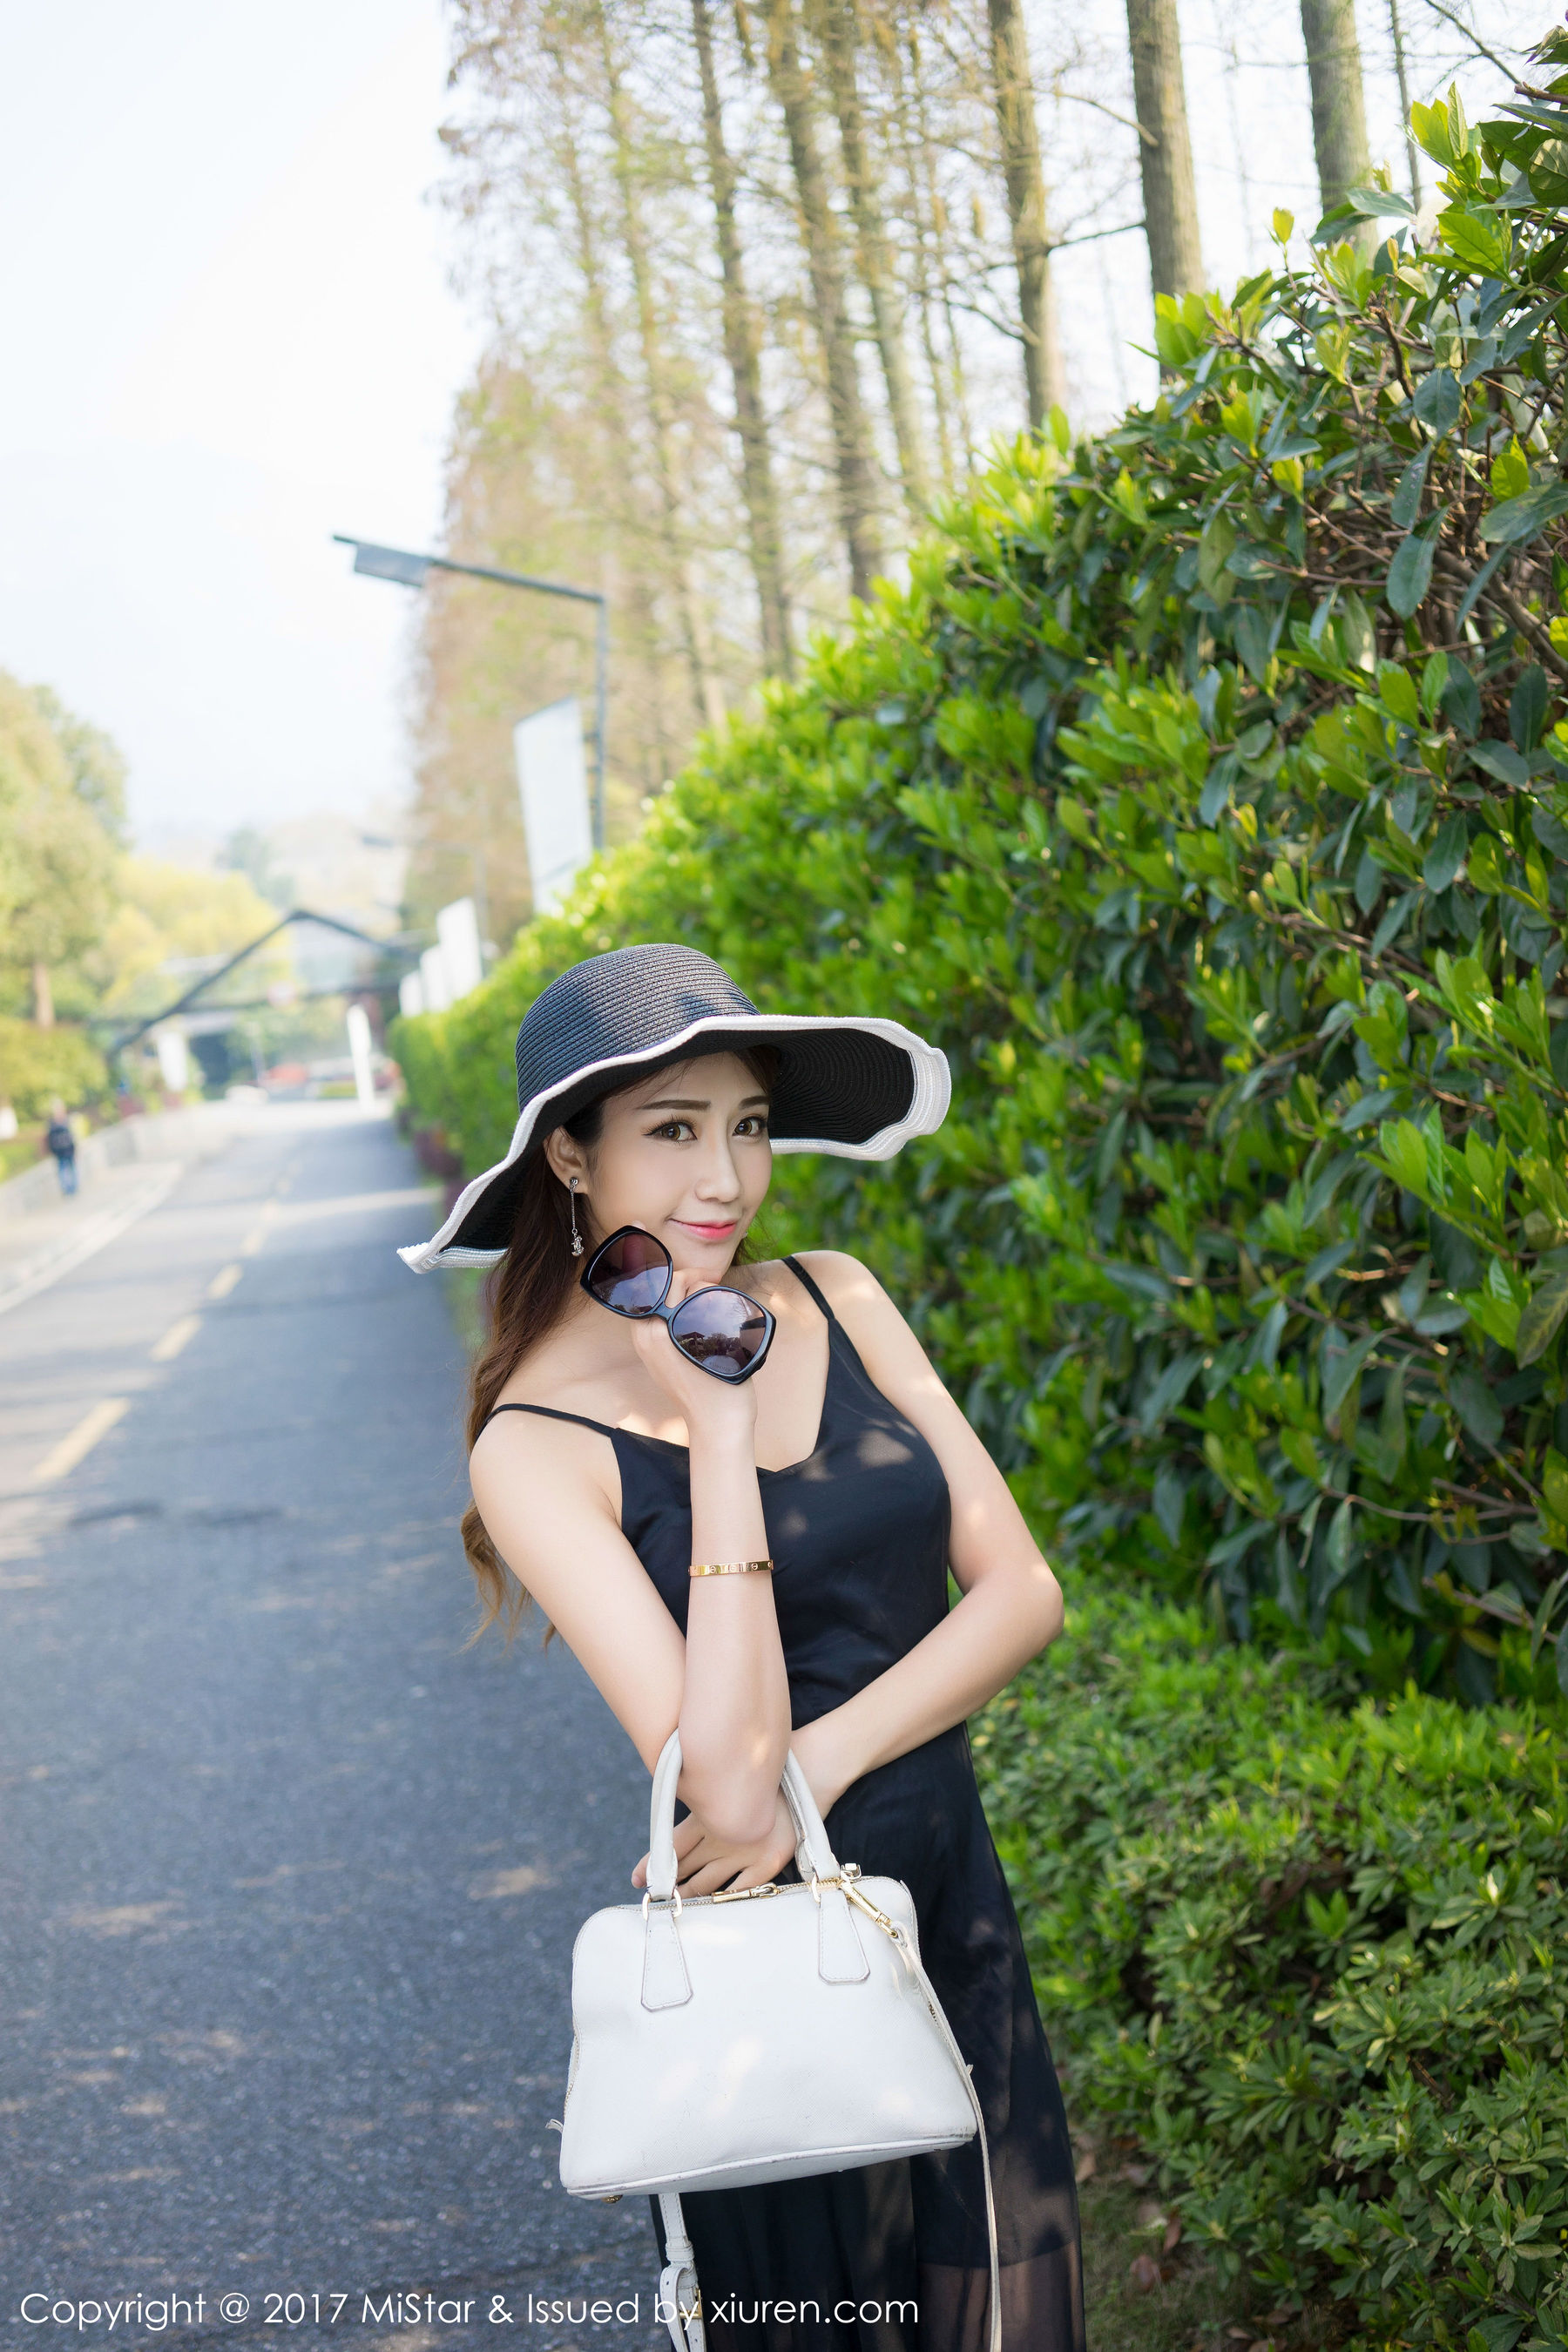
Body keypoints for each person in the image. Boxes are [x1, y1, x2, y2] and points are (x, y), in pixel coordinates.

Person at [401, 943, 1085, 2351]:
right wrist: (715, 1434)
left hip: (949, 1910)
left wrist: (815, 1769)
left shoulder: (836, 1293)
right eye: (672, 1130)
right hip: (768, 1986)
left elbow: (1021, 1591)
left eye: (749, 1125)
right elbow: (723, 1788)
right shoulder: (534, 1445)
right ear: (572, 1157)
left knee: (1009, 2309)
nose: (725, 1179)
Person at [44, 1100, 78, 1196]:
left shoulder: (55, 1123)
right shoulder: (59, 1123)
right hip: (62, 1151)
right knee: (65, 1170)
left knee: (69, 1169)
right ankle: (68, 1188)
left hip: (66, 1150)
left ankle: (71, 1188)